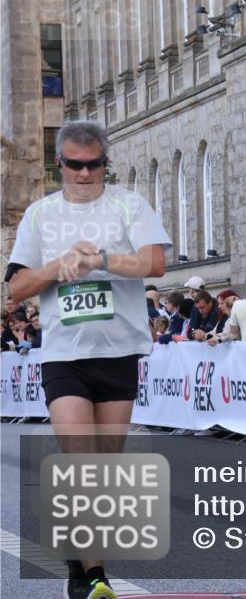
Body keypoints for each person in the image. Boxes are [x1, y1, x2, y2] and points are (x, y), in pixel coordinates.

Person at [4, 119, 169, 599]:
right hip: (64, 356)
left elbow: (154, 263)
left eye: (93, 164)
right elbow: (15, 288)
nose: (83, 174)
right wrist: (59, 267)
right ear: (60, 164)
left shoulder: (129, 205)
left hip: (119, 351)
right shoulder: (39, 215)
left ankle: (80, 555)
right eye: (74, 165)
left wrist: (99, 260)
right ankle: (92, 579)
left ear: (105, 162)